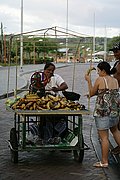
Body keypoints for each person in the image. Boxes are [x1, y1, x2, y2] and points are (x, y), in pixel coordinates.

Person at [85, 61, 120, 168]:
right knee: (115, 131)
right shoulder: (115, 80)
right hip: (114, 111)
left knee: (104, 138)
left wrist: (88, 81)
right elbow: (106, 93)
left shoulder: (100, 79)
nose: (98, 73)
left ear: (103, 71)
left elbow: (91, 93)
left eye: (99, 71)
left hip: (103, 112)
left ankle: (104, 162)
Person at [109, 42, 120, 154]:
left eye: (116, 51)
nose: (115, 54)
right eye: (113, 52)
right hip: (116, 94)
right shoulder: (117, 63)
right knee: (115, 122)